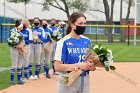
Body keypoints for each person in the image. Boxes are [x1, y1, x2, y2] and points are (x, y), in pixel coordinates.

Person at [54, 12, 96, 93]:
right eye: (80, 23)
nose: (83, 26)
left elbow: (91, 60)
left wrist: (92, 66)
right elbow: (57, 67)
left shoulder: (87, 41)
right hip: (68, 80)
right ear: (72, 24)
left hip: (85, 80)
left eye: (84, 23)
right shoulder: (63, 42)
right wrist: (77, 65)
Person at [9, 20, 25, 85]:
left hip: (21, 49)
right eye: (21, 27)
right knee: (14, 65)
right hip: (14, 49)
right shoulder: (12, 32)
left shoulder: (21, 33)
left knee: (20, 65)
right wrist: (17, 46)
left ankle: (19, 79)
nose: (22, 28)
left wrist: (22, 47)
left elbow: (23, 42)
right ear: (19, 27)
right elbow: (10, 42)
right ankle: (12, 80)